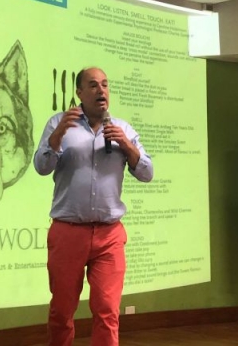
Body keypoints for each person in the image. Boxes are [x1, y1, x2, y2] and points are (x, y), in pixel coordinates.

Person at [33, 67, 154, 346]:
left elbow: (147, 173)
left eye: (105, 84)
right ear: (79, 92)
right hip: (68, 232)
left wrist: (127, 146)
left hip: (109, 235)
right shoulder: (59, 124)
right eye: (93, 85)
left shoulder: (123, 129)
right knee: (62, 310)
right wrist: (57, 135)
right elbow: (41, 166)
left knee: (108, 311)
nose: (101, 90)